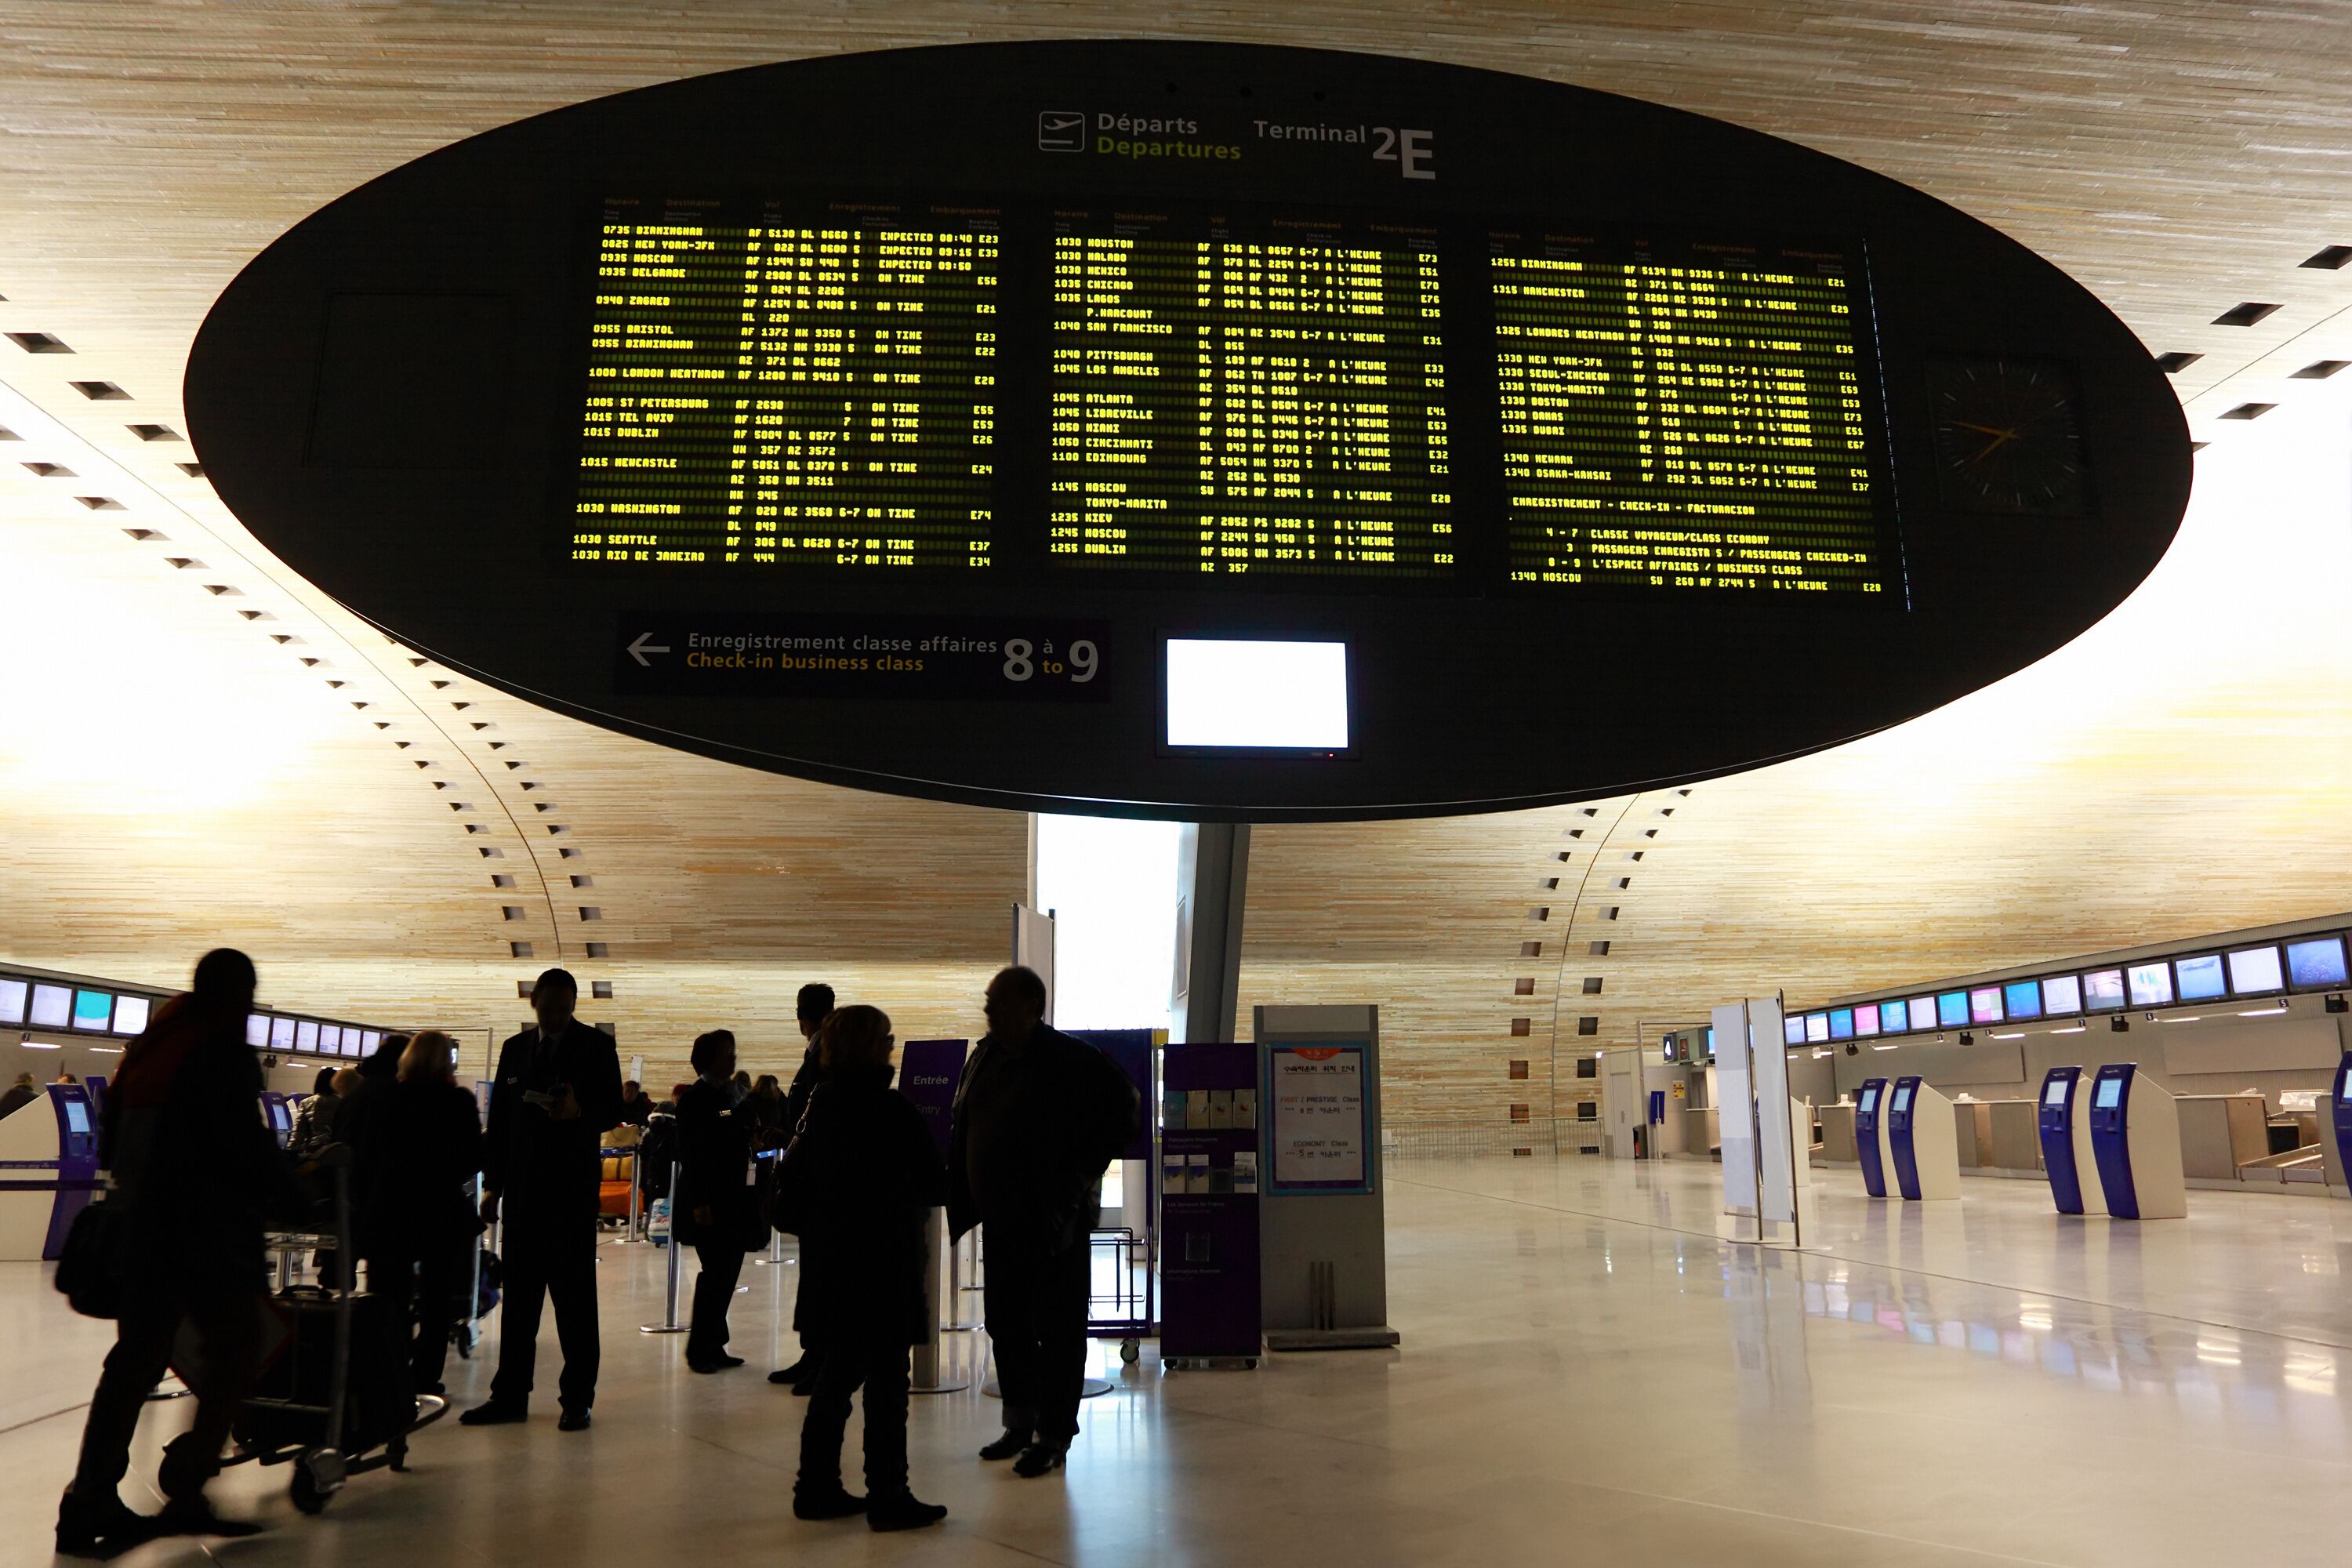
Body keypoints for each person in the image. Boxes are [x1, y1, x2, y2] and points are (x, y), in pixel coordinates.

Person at [58, 949, 298, 1555]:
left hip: (140, 1232)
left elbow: (113, 1141)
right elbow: (241, 1146)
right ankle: (187, 1487)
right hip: (199, 1236)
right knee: (239, 1345)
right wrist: (297, 1188)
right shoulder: (219, 1050)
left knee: (134, 1361)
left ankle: (86, 1502)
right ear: (236, 994)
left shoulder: (151, 1044)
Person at [949, 965, 1139, 1477]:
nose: (988, 1012)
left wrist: (1076, 1181)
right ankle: (1019, 1421)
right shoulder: (984, 1056)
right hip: (1002, 1222)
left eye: (998, 1002)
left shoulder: (1073, 1060)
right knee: (1006, 1323)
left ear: (1032, 1005)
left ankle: (1054, 1434)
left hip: (1057, 1225)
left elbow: (1124, 1115)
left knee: (1057, 1331)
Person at [790, 1005, 949, 1532]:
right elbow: (929, 1178)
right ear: (869, 1046)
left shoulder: (823, 1103)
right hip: (882, 1266)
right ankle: (889, 1493)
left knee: (836, 1378)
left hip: (833, 1266)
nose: (892, 1046)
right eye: (886, 1038)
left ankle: (815, 1486)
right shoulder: (888, 1109)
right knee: (886, 1383)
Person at [462, 969, 621, 1431]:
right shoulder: (515, 1050)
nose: (554, 1016)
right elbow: (503, 1125)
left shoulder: (595, 1047)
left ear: (574, 1004)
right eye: (547, 1008)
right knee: (521, 1303)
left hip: (570, 1194)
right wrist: (494, 1185)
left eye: (562, 1008)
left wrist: (580, 1112)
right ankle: (510, 1395)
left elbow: (613, 1109)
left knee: (575, 1303)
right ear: (534, 1004)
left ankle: (577, 1399)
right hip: (526, 1195)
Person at [357, 1031, 482, 1398]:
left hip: (390, 1210)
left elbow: (367, 1155)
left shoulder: (386, 1098)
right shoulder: (457, 1101)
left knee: (386, 1298)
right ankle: (426, 1376)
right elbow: (473, 1158)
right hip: (440, 1211)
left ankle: (387, 1373)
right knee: (437, 1299)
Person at [675, 1030, 759, 1372]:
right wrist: (699, 1201)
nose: (733, 1058)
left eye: (733, 1052)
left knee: (725, 1274)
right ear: (709, 1058)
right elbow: (692, 1153)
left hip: (734, 1198)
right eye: (726, 1053)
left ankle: (715, 1343)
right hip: (710, 1200)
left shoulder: (734, 1095)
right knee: (715, 1275)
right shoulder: (698, 1098)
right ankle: (701, 1349)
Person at [768, 982, 835, 1389]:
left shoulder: (825, 1057)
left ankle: (822, 1360)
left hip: (820, 1185)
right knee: (814, 1276)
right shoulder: (819, 1054)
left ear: (802, 1016)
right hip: (816, 1183)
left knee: (823, 1277)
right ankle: (814, 1355)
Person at [286, 1065, 342, 1156]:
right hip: (336, 1152)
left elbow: (298, 1134)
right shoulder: (342, 1103)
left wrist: (289, 1153)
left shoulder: (306, 1103)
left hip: (313, 1153)